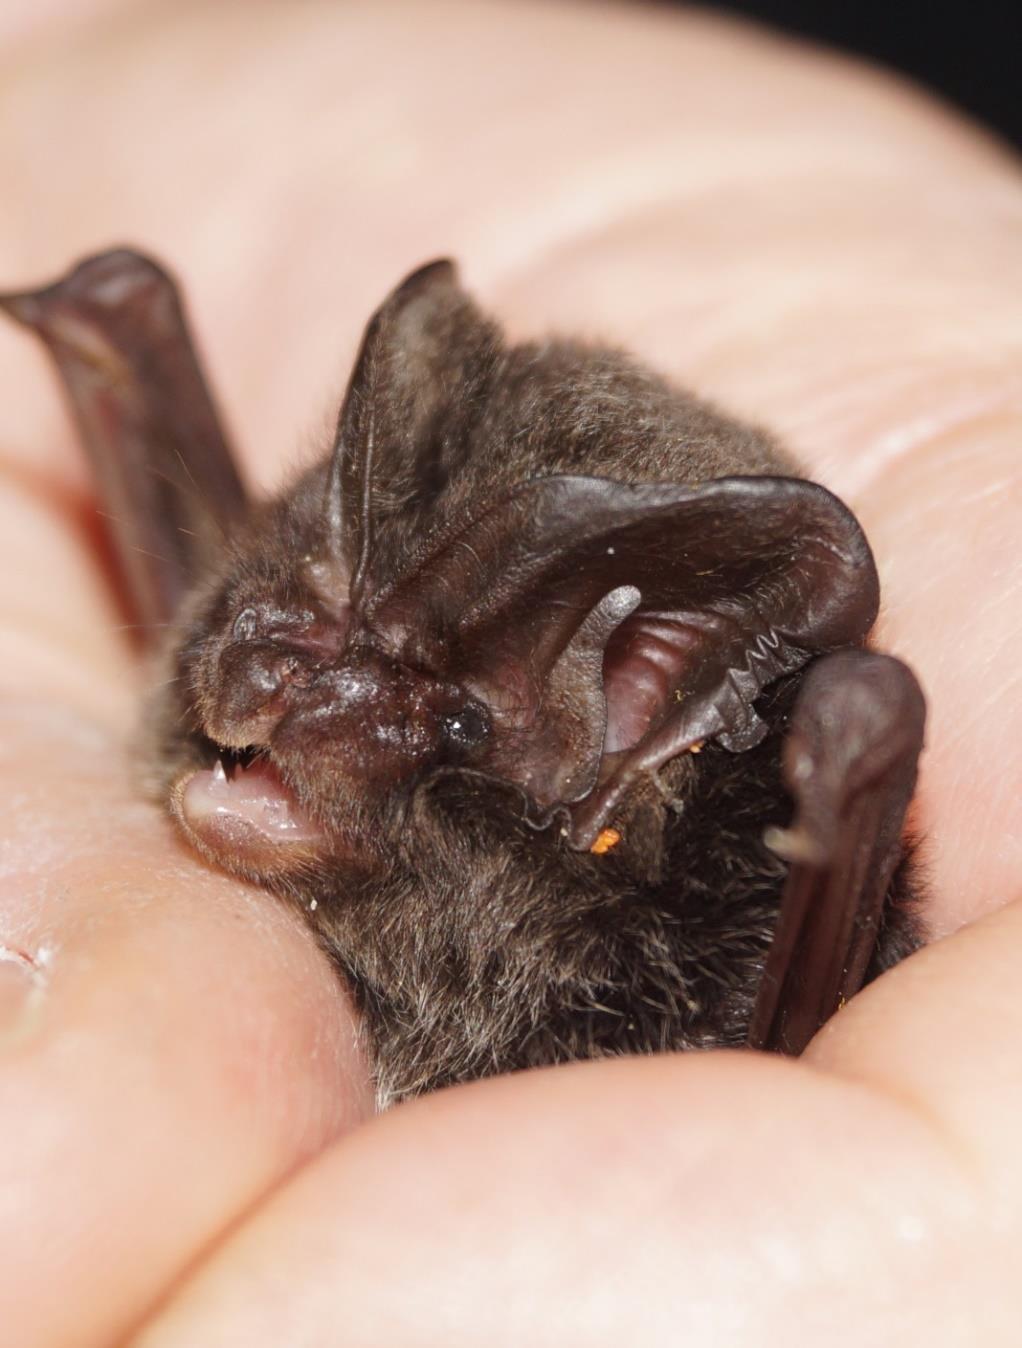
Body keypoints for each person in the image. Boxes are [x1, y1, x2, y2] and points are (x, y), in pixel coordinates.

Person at [0, 2, 1018, 1343]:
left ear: (634, 745)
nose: (297, 692)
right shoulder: (261, 662)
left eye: (459, 714)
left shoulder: (693, 951)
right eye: (306, 594)